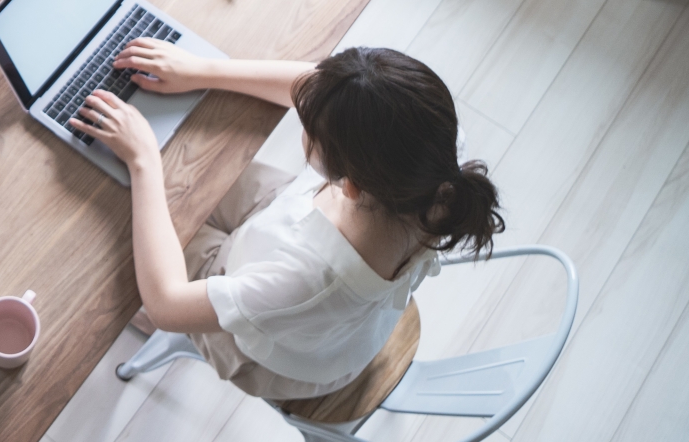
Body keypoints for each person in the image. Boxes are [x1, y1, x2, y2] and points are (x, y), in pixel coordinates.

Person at [71, 44, 504, 401]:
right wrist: (204, 70)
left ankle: (150, 317)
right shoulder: (437, 158)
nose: (302, 109)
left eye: (309, 126)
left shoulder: (305, 283)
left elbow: (168, 305)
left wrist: (145, 161)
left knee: (131, 204)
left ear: (347, 187)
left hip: (275, 340)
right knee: (193, 170)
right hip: (284, 236)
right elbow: (321, 86)